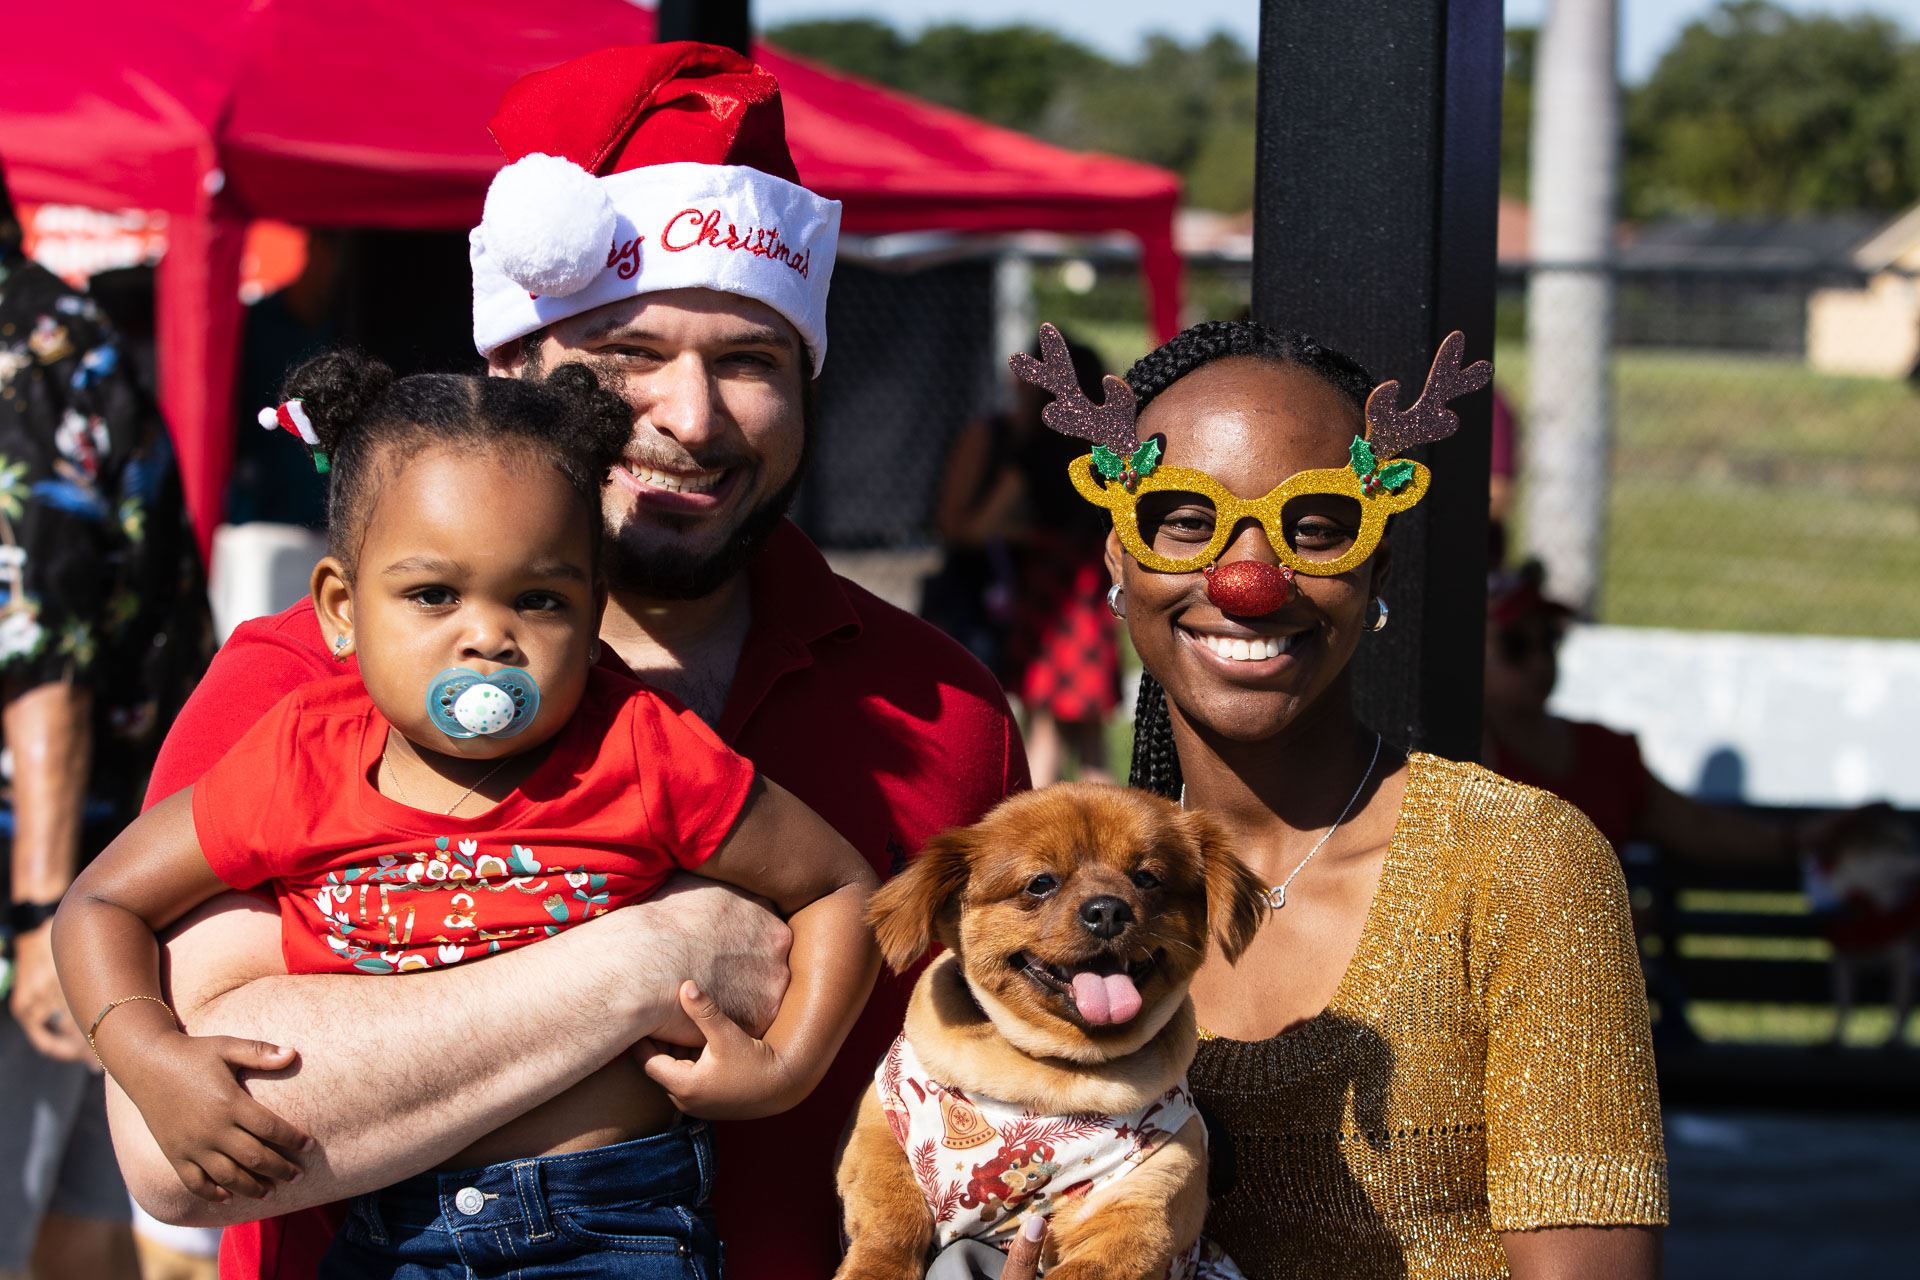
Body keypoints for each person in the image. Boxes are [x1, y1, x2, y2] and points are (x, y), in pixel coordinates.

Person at [105, 43, 1028, 1280]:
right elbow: (181, 1147)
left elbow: (1002, 1092)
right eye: (629, 353)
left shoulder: (941, 708)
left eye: (749, 359)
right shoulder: (303, 683)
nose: (692, 416)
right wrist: (650, 959)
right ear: (513, 374)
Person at [58, 354, 882, 1275]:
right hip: (380, 1239)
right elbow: (102, 905)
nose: (488, 635)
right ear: (341, 608)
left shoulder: (645, 753)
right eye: (433, 595)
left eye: (539, 599)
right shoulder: (297, 758)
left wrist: (789, 1067)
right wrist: (147, 1052)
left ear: (593, 610)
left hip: (614, 1229)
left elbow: (841, 886)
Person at [1019, 319, 1666, 1278]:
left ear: (1378, 571)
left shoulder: (1516, 862)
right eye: (1185, 519)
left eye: (1317, 526)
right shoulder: (1047, 895)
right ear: (1120, 562)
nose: (1248, 581)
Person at [0, 155, 206, 1280]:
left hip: (56, 887)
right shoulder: (55, 333)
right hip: (125, 868)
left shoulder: (19, 353)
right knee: (80, 1231)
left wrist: (41, 911)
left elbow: (43, 661)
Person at [933, 331, 1121, 785]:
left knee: (1044, 730)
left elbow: (975, 527)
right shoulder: (1110, 453)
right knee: (1094, 742)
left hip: (1049, 600)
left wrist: (1025, 533)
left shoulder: (1036, 453)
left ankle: (1037, 836)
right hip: (1095, 595)